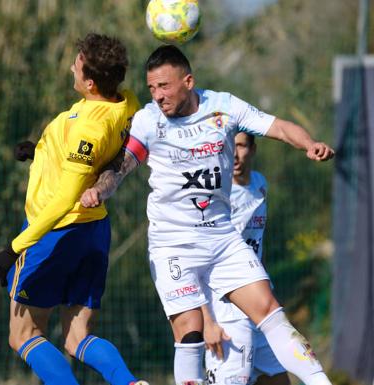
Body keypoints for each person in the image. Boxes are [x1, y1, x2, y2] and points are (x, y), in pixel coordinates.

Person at [80, 45, 334, 385]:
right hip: (173, 245)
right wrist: (100, 189)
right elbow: (122, 166)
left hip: (221, 237)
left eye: (165, 86)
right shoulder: (149, 121)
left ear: (188, 81)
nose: (157, 96)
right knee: (190, 333)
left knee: (271, 312)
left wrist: (309, 144)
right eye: (152, 88)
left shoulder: (224, 107)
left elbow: (279, 127)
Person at [0, 33, 147, 385]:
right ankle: (130, 383)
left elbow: (63, 198)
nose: (71, 65)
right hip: (94, 231)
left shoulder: (90, 128)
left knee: (23, 335)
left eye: (77, 62)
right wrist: (43, 150)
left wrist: (14, 248)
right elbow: (87, 155)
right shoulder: (127, 102)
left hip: (56, 235)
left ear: (89, 82)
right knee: (77, 339)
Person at [203, 132, 289, 385]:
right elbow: (201, 260)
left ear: (253, 149)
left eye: (240, 146)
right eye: (229, 147)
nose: (235, 154)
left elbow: (258, 244)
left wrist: (267, 290)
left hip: (258, 299)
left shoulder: (260, 184)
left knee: (278, 377)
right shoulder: (218, 195)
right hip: (227, 302)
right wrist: (208, 320)